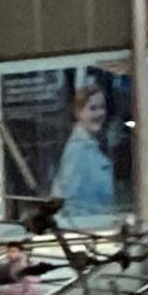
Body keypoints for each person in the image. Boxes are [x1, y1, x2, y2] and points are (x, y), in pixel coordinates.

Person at [51, 76, 121, 224]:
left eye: (102, 107)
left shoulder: (92, 146)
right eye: (93, 108)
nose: (100, 113)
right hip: (87, 228)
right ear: (78, 112)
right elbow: (68, 200)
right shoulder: (78, 150)